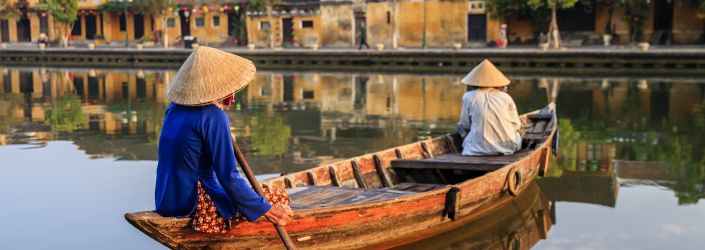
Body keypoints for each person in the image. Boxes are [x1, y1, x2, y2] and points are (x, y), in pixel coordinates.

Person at [155, 46, 294, 233]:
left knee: (259, 193)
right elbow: (228, 176)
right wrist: (267, 210)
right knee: (279, 197)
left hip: (166, 199)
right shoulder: (213, 117)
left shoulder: (174, 109)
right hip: (194, 202)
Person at [457, 59, 522, 156]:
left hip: (475, 150)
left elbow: (465, 125)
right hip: (507, 148)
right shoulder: (506, 97)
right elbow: (516, 125)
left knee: (460, 126)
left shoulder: (468, 96)